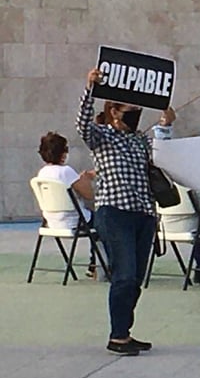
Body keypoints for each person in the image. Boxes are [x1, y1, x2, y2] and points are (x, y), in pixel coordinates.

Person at [76, 68, 176, 356]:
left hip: (143, 213)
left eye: (138, 109)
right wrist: (90, 89)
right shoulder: (103, 137)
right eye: (130, 109)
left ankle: (125, 330)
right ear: (115, 112)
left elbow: (162, 155)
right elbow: (82, 125)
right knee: (125, 273)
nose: (135, 114)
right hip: (114, 212)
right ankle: (117, 335)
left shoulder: (139, 140)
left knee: (136, 277)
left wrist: (165, 125)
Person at [36, 131, 100, 278]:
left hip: (51, 223)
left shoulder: (42, 173)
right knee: (104, 222)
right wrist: (84, 180)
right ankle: (96, 265)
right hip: (75, 222)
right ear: (62, 153)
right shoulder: (66, 171)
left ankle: (95, 265)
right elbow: (89, 195)